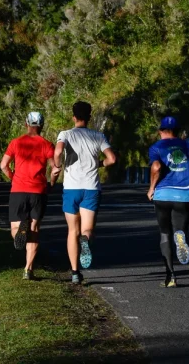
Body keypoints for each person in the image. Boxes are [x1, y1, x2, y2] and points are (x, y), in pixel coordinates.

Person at [52, 101, 116, 285]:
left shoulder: (65, 134)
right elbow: (111, 159)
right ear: (89, 117)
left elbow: (58, 151)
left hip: (71, 188)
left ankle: (74, 272)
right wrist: (99, 164)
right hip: (91, 188)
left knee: (72, 230)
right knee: (87, 230)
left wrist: (57, 165)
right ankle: (85, 240)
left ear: (73, 117)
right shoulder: (98, 136)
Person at [0, 112, 57, 280]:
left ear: (26, 124)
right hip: (38, 191)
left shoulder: (16, 143)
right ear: (42, 125)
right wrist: (51, 184)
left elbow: (3, 165)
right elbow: (55, 169)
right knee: (35, 230)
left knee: (15, 228)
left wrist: (12, 177)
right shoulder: (47, 144)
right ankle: (28, 269)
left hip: (18, 190)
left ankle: (20, 232)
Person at [147, 116, 189, 288]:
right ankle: (180, 236)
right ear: (179, 132)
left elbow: (156, 168)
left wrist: (151, 189)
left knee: (165, 233)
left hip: (162, 195)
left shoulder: (156, 147)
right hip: (183, 194)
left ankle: (170, 276)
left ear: (160, 131)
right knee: (180, 231)